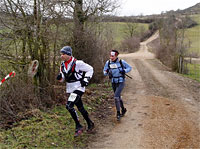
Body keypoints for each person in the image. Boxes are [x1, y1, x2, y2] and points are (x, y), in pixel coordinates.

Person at [57, 46, 94, 137]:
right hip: (70, 88)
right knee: (80, 107)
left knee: (69, 106)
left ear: (69, 54)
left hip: (78, 87)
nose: (62, 56)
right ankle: (90, 123)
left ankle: (78, 126)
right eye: (61, 54)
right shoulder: (62, 65)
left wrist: (86, 79)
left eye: (63, 54)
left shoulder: (78, 63)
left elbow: (90, 69)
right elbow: (63, 79)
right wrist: (60, 78)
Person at [103, 50, 132, 121]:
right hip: (113, 81)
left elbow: (129, 68)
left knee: (116, 97)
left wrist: (124, 71)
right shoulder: (108, 62)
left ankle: (118, 113)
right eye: (110, 56)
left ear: (116, 56)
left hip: (121, 81)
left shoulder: (121, 62)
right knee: (118, 97)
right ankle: (123, 109)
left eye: (113, 56)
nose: (111, 57)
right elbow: (104, 71)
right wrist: (106, 72)